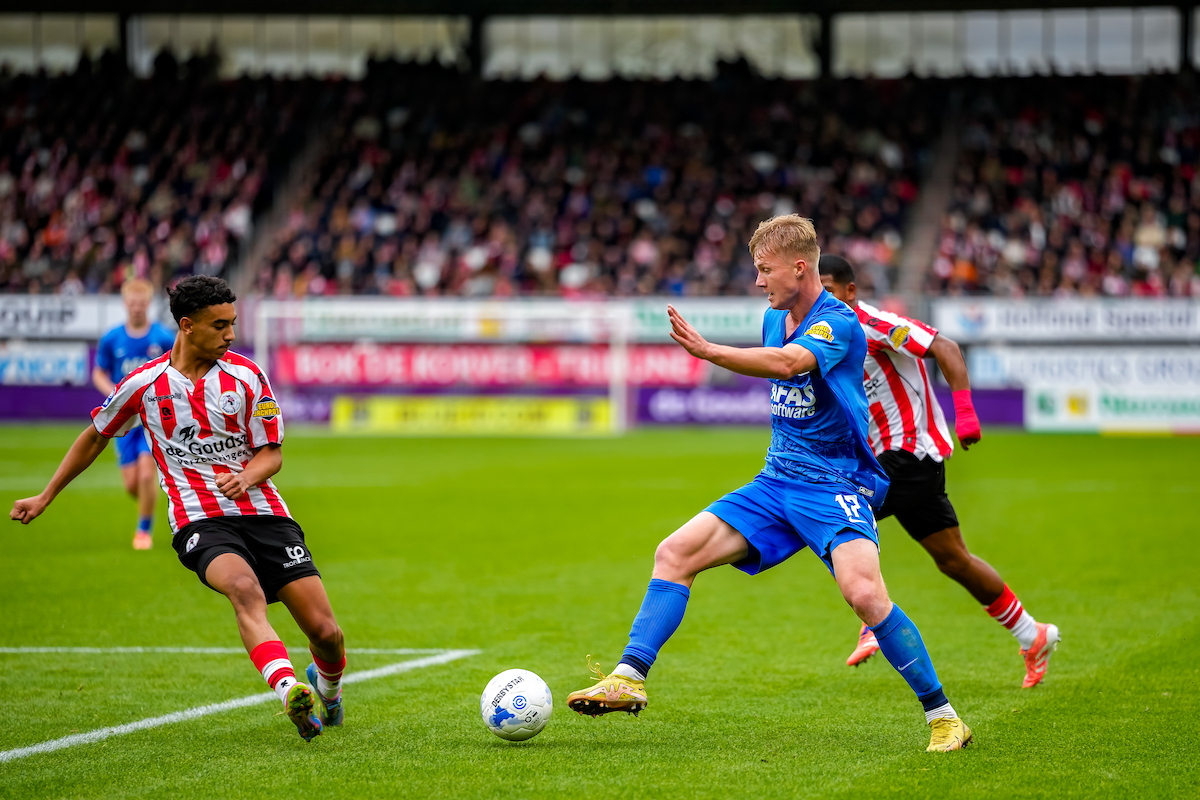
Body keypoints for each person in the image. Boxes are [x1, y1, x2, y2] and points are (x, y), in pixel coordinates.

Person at [567, 216, 973, 753]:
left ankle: (944, 718)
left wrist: (710, 352)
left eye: (765, 270)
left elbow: (788, 364)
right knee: (675, 553)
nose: (759, 281)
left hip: (831, 486)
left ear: (799, 268)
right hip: (777, 479)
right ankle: (628, 677)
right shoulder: (771, 317)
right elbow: (778, 354)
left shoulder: (839, 322)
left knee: (865, 596)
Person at [11, 276, 346, 742]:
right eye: (220, 325)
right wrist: (46, 495)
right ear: (187, 326)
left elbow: (273, 453)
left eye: (233, 323)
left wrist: (247, 476)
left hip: (265, 513)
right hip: (199, 519)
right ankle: (289, 689)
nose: (230, 334)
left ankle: (327, 691)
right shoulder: (145, 385)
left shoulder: (248, 376)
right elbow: (94, 437)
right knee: (243, 589)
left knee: (326, 633)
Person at [818, 254, 1059, 688]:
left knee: (840, 516)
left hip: (910, 449)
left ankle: (872, 617)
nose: (823, 300)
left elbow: (945, 347)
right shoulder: (825, 337)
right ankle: (1032, 633)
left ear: (850, 292)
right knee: (954, 559)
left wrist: (965, 412)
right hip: (889, 459)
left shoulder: (874, 324)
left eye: (829, 291)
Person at [92, 279, 178, 550]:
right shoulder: (112, 338)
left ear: (148, 304)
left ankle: (143, 531)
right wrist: (114, 395)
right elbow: (98, 372)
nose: (138, 308)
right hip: (125, 419)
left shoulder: (163, 337)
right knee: (132, 484)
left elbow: (178, 367)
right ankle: (148, 502)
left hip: (152, 418)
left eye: (142, 303)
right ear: (125, 304)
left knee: (145, 475)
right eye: (133, 303)